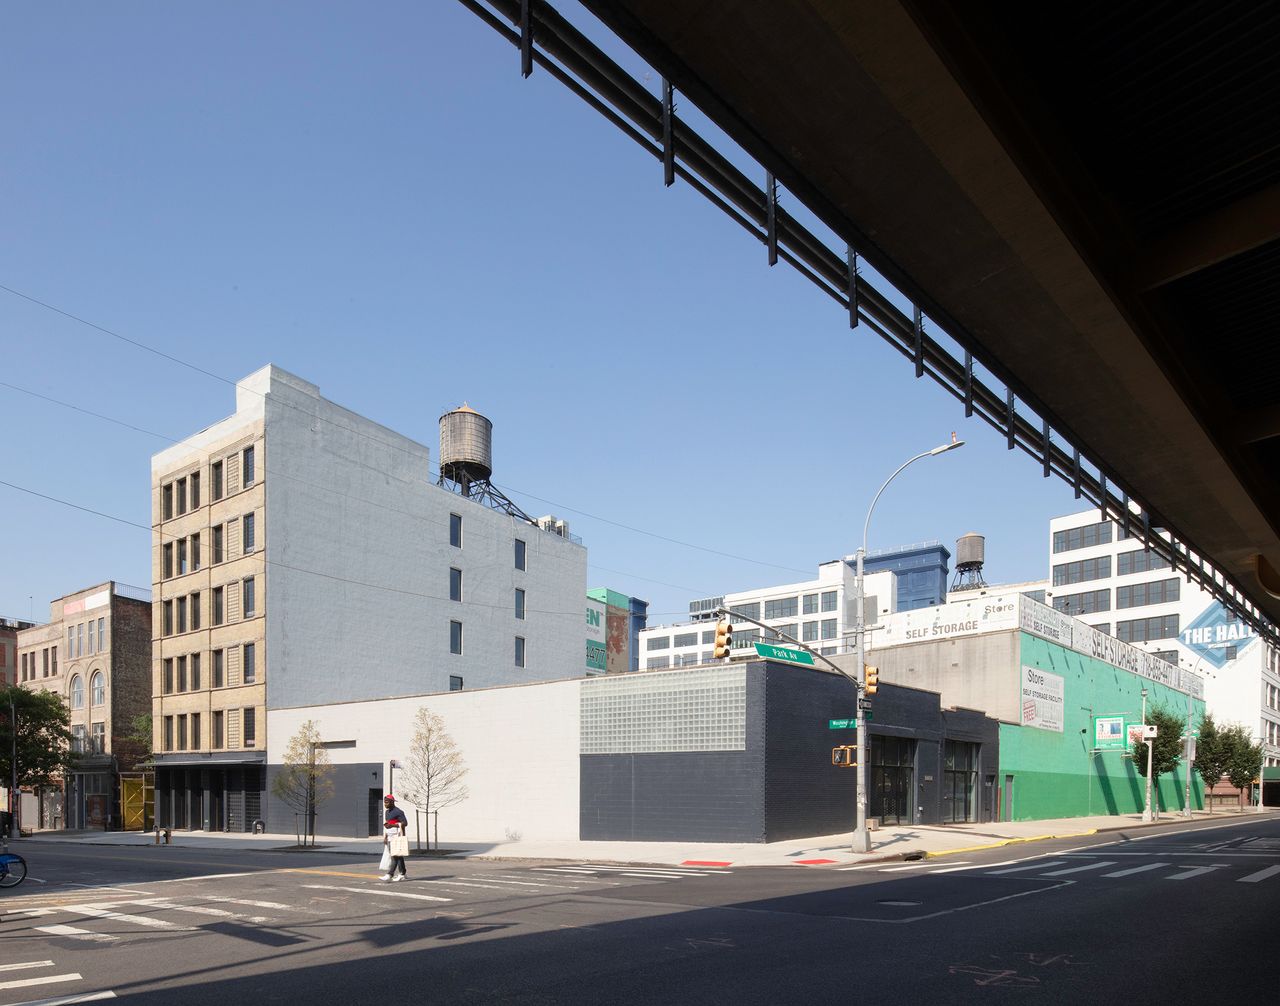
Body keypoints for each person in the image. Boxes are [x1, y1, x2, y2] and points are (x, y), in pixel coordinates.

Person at [381, 794, 408, 882]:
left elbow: (405, 823)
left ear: (392, 802)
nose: (385, 804)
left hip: (397, 836)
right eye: (384, 802)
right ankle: (402, 873)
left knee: (395, 856)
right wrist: (385, 837)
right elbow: (387, 824)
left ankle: (390, 874)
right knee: (398, 856)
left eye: (387, 802)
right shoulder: (387, 812)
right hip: (389, 836)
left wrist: (392, 825)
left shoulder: (398, 812)